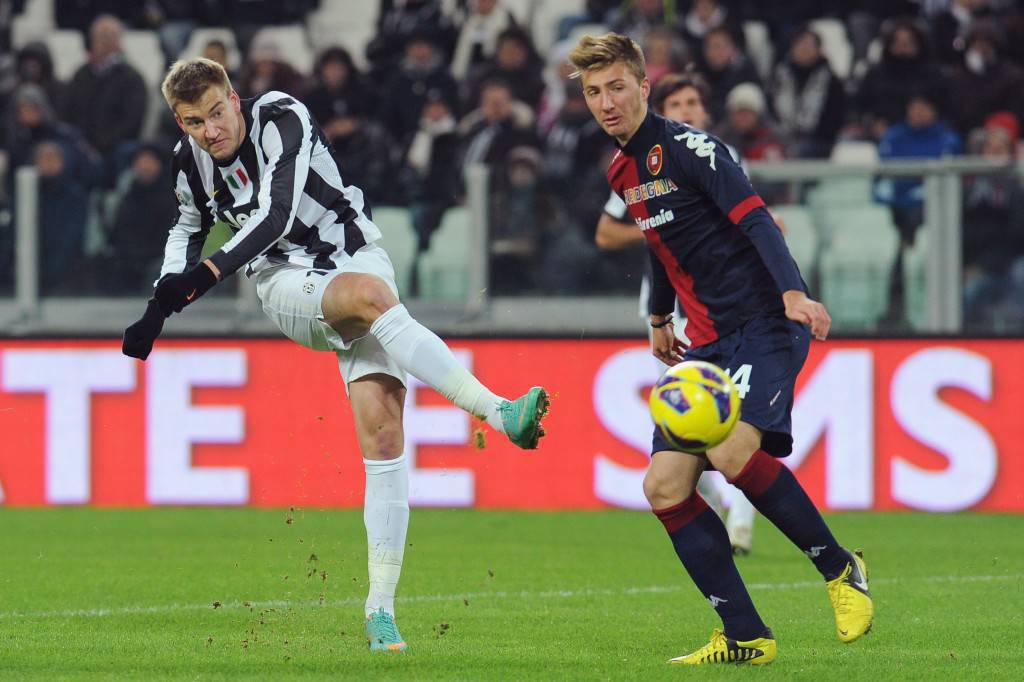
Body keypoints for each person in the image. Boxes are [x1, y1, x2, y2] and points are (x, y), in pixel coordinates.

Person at [120, 57, 549, 652]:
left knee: (384, 436)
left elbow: (275, 214)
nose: (210, 130)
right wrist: (157, 305)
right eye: (195, 122)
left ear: (235, 99)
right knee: (370, 298)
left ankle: (380, 612)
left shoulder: (282, 117)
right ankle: (498, 412)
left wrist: (203, 277)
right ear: (180, 121)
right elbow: (187, 227)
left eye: (217, 113)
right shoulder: (187, 162)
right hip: (284, 282)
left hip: (356, 255)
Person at [571, 33, 873, 665]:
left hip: (764, 321)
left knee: (732, 449)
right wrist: (659, 315)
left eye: (616, 87)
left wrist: (793, 294)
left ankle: (840, 569)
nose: (606, 103)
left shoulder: (692, 149)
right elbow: (660, 245)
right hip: (706, 342)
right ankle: (745, 636)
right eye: (594, 92)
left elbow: (757, 218)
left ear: (644, 86)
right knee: (663, 486)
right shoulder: (622, 171)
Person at [593, 69, 757, 555]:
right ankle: (722, 507)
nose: (686, 111)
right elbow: (605, 233)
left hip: (721, 305)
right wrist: (657, 227)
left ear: (705, 111)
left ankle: (741, 522)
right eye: (677, 104)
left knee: (734, 418)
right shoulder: (636, 161)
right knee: (679, 422)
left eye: (692, 103)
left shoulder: (718, 154)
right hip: (668, 313)